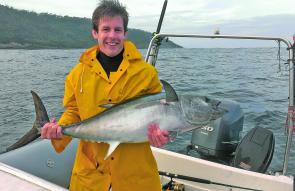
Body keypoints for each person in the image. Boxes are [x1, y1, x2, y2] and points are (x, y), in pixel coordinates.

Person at [41, 0, 169, 191]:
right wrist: (57, 131)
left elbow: (157, 113)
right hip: (91, 175)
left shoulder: (146, 73)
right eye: (105, 29)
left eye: (118, 30)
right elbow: (74, 111)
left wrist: (160, 135)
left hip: (135, 176)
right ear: (95, 33)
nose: (112, 36)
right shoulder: (77, 74)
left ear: (125, 33)